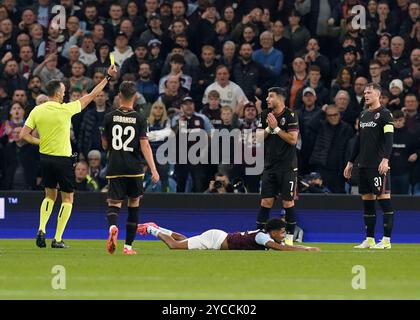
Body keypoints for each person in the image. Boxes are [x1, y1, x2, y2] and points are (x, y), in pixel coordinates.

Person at [19, 64, 118, 249]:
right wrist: (108, 78)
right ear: (57, 93)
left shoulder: (37, 110)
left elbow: (23, 135)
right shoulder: (65, 110)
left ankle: (41, 229)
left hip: (45, 158)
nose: (65, 94)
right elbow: (91, 96)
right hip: (63, 160)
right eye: (63, 91)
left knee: (49, 196)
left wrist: (40, 142)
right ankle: (57, 238)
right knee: (67, 199)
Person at [101, 81, 159, 255]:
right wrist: (154, 169)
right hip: (134, 168)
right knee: (134, 203)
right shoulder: (140, 119)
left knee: (114, 203)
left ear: (119, 96)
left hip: (115, 166)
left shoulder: (109, 117)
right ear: (135, 97)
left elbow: (104, 145)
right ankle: (128, 247)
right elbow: (145, 146)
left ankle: (112, 227)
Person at [344, 83, 395, 249]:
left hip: (378, 165)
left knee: (384, 201)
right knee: (367, 201)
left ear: (378, 94)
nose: (366, 95)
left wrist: (385, 159)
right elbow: (359, 141)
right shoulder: (364, 115)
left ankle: (386, 240)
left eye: (369, 92)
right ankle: (370, 239)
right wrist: (351, 162)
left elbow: (389, 139)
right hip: (363, 165)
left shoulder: (385, 114)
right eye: (365, 93)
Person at [256, 87, 299, 246]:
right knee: (265, 202)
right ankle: (259, 237)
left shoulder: (291, 115)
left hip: (287, 166)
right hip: (270, 166)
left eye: (270, 96)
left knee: (288, 202)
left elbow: (293, 139)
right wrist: (269, 127)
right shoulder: (264, 115)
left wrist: (277, 128)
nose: (267, 99)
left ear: (280, 99)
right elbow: (258, 137)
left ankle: (288, 239)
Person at [137, 218, 320, 251]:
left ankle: (158, 227)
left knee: (185, 240)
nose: (283, 234)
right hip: (215, 240)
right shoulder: (263, 237)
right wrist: (305, 248)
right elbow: (281, 248)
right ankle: (150, 229)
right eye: (281, 231)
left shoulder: (265, 235)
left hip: (218, 237)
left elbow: (282, 246)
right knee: (175, 246)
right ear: (272, 232)